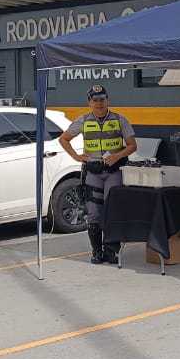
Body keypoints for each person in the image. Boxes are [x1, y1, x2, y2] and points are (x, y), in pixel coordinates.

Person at [59, 84, 137, 265]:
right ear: (89, 102)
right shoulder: (83, 121)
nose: (99, 103)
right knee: (93, 213)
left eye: (102, 99)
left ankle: (111, 251)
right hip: (93, 171)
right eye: (95, 100)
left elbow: (133, 145)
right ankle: (96, 251)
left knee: (112, 209)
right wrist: (76, 156)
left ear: (107, 100)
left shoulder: (120, 120)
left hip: (113, 171)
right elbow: (64, 139)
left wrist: (117, 156)